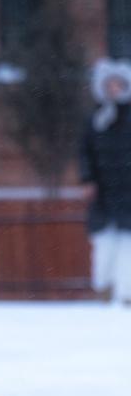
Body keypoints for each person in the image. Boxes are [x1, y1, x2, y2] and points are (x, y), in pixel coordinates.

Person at [81, 60, 131, 304]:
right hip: (103, 195)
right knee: (104, 245)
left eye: (118, 83)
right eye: (109, 84)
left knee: (128, 247)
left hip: (128, 194)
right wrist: (88, 179)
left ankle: (127, 293)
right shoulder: (94, 120)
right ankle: (103, 288)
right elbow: (85, 152)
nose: (114, 88)